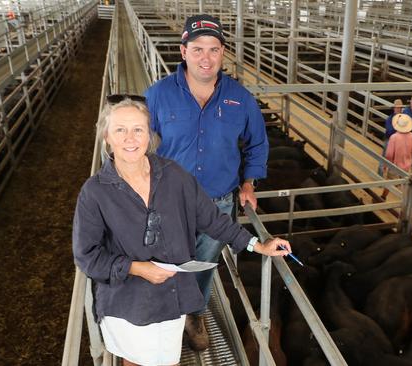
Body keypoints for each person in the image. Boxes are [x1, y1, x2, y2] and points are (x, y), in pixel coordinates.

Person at [72, 95, 291, 366]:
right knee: (137, 362)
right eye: (120, 130)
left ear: (149, 134)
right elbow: (87, 256)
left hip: (171, 294)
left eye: (138, 129)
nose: (130, 138)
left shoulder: (173, 175)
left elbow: (212, 218)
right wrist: (137, 268)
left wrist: (256, 244)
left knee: (169, 360)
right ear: (107, 136)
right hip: (128, 303)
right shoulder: (94, 193)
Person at [144, 14, 269, 350]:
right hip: (167, 200)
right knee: (165, 259)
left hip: (218, 202)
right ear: (183, 51)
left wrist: (249, 183)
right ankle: (165, 313)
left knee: (204, 264)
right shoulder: (157, 95)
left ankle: (195, 313)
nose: (206, 57)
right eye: (198, 49)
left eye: (213, 49)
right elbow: (137, 140)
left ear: (222, 53)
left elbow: (257, 142)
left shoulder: (240, 98)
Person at [380, 114, 412, 200]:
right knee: (405, 184)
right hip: (407, 164)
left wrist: (385, 165)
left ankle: (383, 197)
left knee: (390, 182)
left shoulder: (394, 137)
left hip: (395, 165)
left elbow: (389, 154)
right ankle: (407, 203)